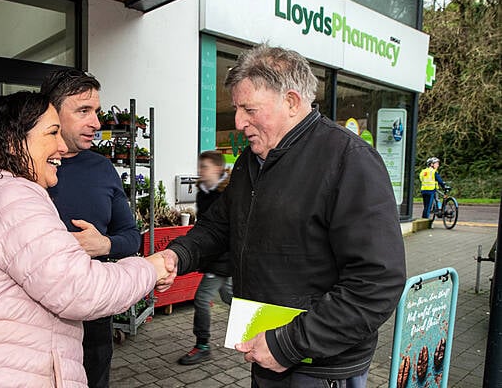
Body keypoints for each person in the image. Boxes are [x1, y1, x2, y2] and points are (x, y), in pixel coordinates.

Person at [154, 44, 407, 387]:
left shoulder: (350, 160)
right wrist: (176, 255)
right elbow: (218, 228)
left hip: (318, 367)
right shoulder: (250, 162)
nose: (239, 122)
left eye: (248, 109)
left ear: (290, 102)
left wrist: (288, 343)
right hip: (265, 348)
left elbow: (376, 283)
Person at [0, 92, 168, 387]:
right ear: (13, 140)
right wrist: (150, 269)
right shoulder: (9, 195)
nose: (61, 147)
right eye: (52, 133)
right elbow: (80, 289)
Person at [41, 69, 142, 388]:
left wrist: (104, 245)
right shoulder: (24, 168)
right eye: (83, 111)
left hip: (93, 322)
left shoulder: (102, 168)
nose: (96, 123)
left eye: (96, 111)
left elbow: (131, 236)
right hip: (35, 322)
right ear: (53, 112)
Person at [178, 150, 233, 365]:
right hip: (216, 257)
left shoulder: (227, 194)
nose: (201, 171)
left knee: (202, 299)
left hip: (222, 258)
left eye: (206, 167)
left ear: (218, 169)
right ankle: (259, 323)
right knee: (230, 297)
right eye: (200, 167)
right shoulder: (204, 192)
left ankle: (203, 346)